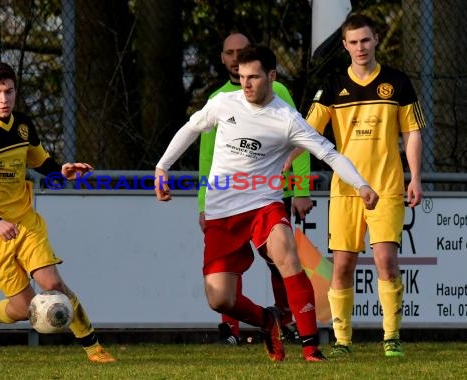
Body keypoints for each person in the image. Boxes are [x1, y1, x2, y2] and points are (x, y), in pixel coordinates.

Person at [154, 44, 379, 362]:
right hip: (222, 210)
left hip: (264, 203)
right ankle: (266, 320)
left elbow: (328, 152)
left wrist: (361, 184)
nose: (245, 84)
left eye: (254, 77)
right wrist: (162, 166)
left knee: (287, 254)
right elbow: (191, 128)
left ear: (271, 76)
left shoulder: (287, 119)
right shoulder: (223, 103)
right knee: (220, 299)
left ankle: (311, 348)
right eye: (242, 76)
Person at [0, 62, 116, 363]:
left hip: (24, 221)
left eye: (9, 92)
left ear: (15, 92)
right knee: (25, 308)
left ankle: (94, 348)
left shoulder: (23, 126)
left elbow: (42, 164)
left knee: (53, 286)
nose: (3, 99)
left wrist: (62, 171)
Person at [305, 14, 425, 358]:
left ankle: (392, 337)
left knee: (386, 259)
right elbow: (307, 131)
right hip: (346, 191)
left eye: (366, 40)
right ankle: (342, 341)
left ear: (376, 41)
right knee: (342, 265)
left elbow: (412, 132)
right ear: (344, 45)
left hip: (386, 186)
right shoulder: (331, 86)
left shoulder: (397, 83)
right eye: (353, 42)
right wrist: (285, 159)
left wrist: (414, 176)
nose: (360, 47)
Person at [198, 33, 312, 344]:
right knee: (226, 269)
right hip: (226, 200)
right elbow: (208, 158)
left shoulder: (278, 92)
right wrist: (202, 202)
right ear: (222, 59)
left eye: (241, 52)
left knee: (279, 260)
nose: (235, 59)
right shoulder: (220, 99)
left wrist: (300, 188)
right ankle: (233, 331)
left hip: (267, 194)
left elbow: (298, 141)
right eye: (229, 53)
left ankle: (288, 321)